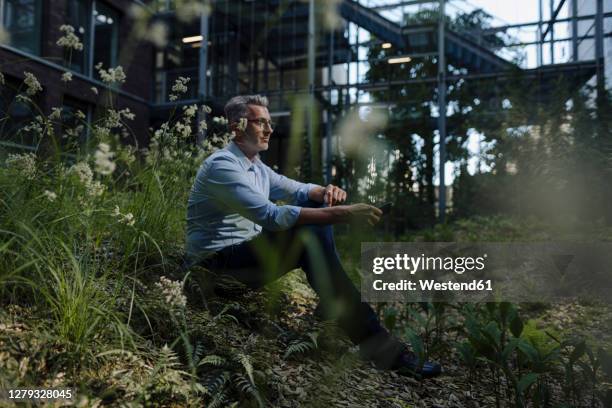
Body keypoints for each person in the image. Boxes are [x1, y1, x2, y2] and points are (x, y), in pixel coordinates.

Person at [185, 94, 441, 378]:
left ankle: (337, 299)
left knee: (316, 206)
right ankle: (379, 345)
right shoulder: (222, 166)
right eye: (261, 122)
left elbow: (298, 189)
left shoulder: (257, 167)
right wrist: (341, 213)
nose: (269, 129)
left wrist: (326, 191)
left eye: (270, 123)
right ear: (236, 126)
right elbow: (271, 216)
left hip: (242, 261)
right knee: (310, 224)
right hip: (213, 271)